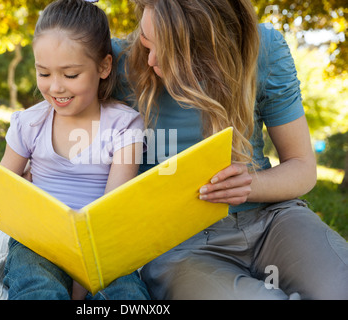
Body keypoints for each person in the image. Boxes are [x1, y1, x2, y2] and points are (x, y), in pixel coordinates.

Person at [109, 0, 347, 299]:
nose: (151, 59)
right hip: (182, 246)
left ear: (214, 48)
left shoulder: (264, 49)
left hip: (272, 221)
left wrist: (250, 186)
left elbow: (302, 166)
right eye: (145, 41)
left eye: (169, 51)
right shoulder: (117, 61)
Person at [0, 0, 149, 300]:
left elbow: (112, 212)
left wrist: (83, 277)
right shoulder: (29, 122)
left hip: (102, 247)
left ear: (103, 67)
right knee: (37, 287)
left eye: (70, 75)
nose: (55, 87)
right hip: (37, 241)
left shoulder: (124, 125)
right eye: (44, 73)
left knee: (126, 293)